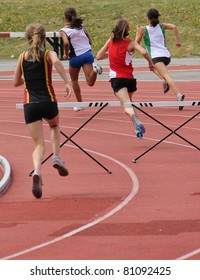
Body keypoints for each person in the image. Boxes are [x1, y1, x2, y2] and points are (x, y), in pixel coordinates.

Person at [13, 23, 72, 199]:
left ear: (27, 39)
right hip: (48, 101)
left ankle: (37, 170)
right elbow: (57, 61)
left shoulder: (22, 57)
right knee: (54, 126)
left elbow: (16, 82)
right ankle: (56, 157)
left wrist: (27, 78)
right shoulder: (48, 54)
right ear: (45, 39)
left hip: (30, 105)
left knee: (38, 145)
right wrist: (67, 81)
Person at [96, 18, 154, 138]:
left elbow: (99, 56)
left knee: (127, 107)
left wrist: (111, 54)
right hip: (130, 80)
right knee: (129, 105)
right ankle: (137, 130)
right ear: (127, 29)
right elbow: (143, 51)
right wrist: (150, 63)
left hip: (117, 79)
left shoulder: (110, 41)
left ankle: (137, 121)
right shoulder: (130, 43)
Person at [135, 8, 185, 110]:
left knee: (166, 75)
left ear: (147, 18)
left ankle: (178, 95)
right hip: (166, 56)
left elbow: (136, 44)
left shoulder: (143, 29)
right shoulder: (161, 26)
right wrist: (177, 41)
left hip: (156, 57)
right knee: (151, 67)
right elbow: (174, 26)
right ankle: (163, 81)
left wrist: (137, 32)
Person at [60, 7, 102, 111]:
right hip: (87, 54)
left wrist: (65, 54)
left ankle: (80, 103)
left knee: (74, 80)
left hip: (76, 57)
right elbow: (90, 40)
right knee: (90, 82)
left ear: (65, 18)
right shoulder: (81, 27)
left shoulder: (64, 30)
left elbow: (66, 43)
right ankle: (95, 70)